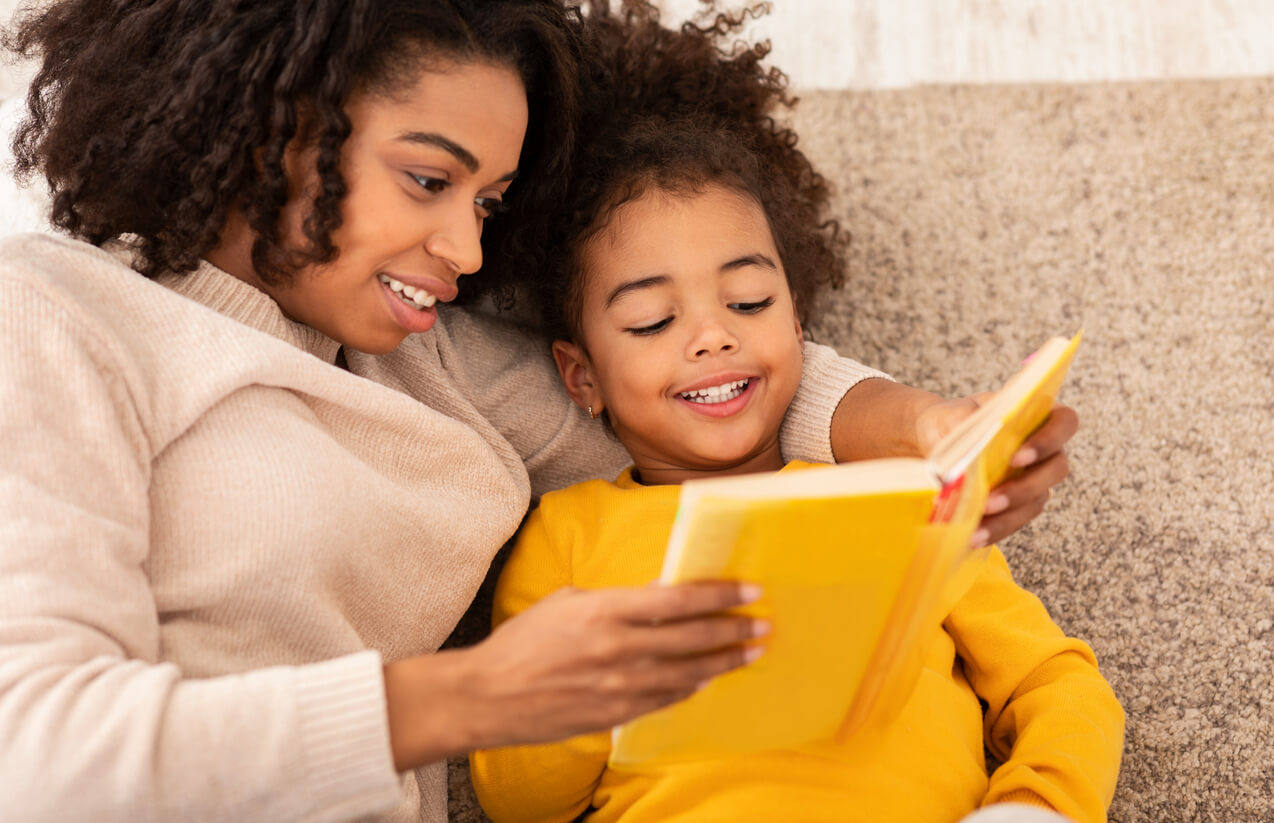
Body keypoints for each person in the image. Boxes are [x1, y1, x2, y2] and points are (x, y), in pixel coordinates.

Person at [0, 1, 1077, 821]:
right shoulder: (58, 316)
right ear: (267, 127)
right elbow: (36, 757)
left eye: (488, 204)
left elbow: (688, 398)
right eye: (428, 180)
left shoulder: (439, 364)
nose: (466, 254)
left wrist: (928, 432)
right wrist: (471, 698)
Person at [467, 21, 1123, 823]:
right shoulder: (570, 532)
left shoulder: (901, 497)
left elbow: (1055, 679)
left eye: (748, 302)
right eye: (649, 321)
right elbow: (518, 800)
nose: (714, 335)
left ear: (802, 326)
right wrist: (586, 683)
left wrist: (1035, 804)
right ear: (581, 376)